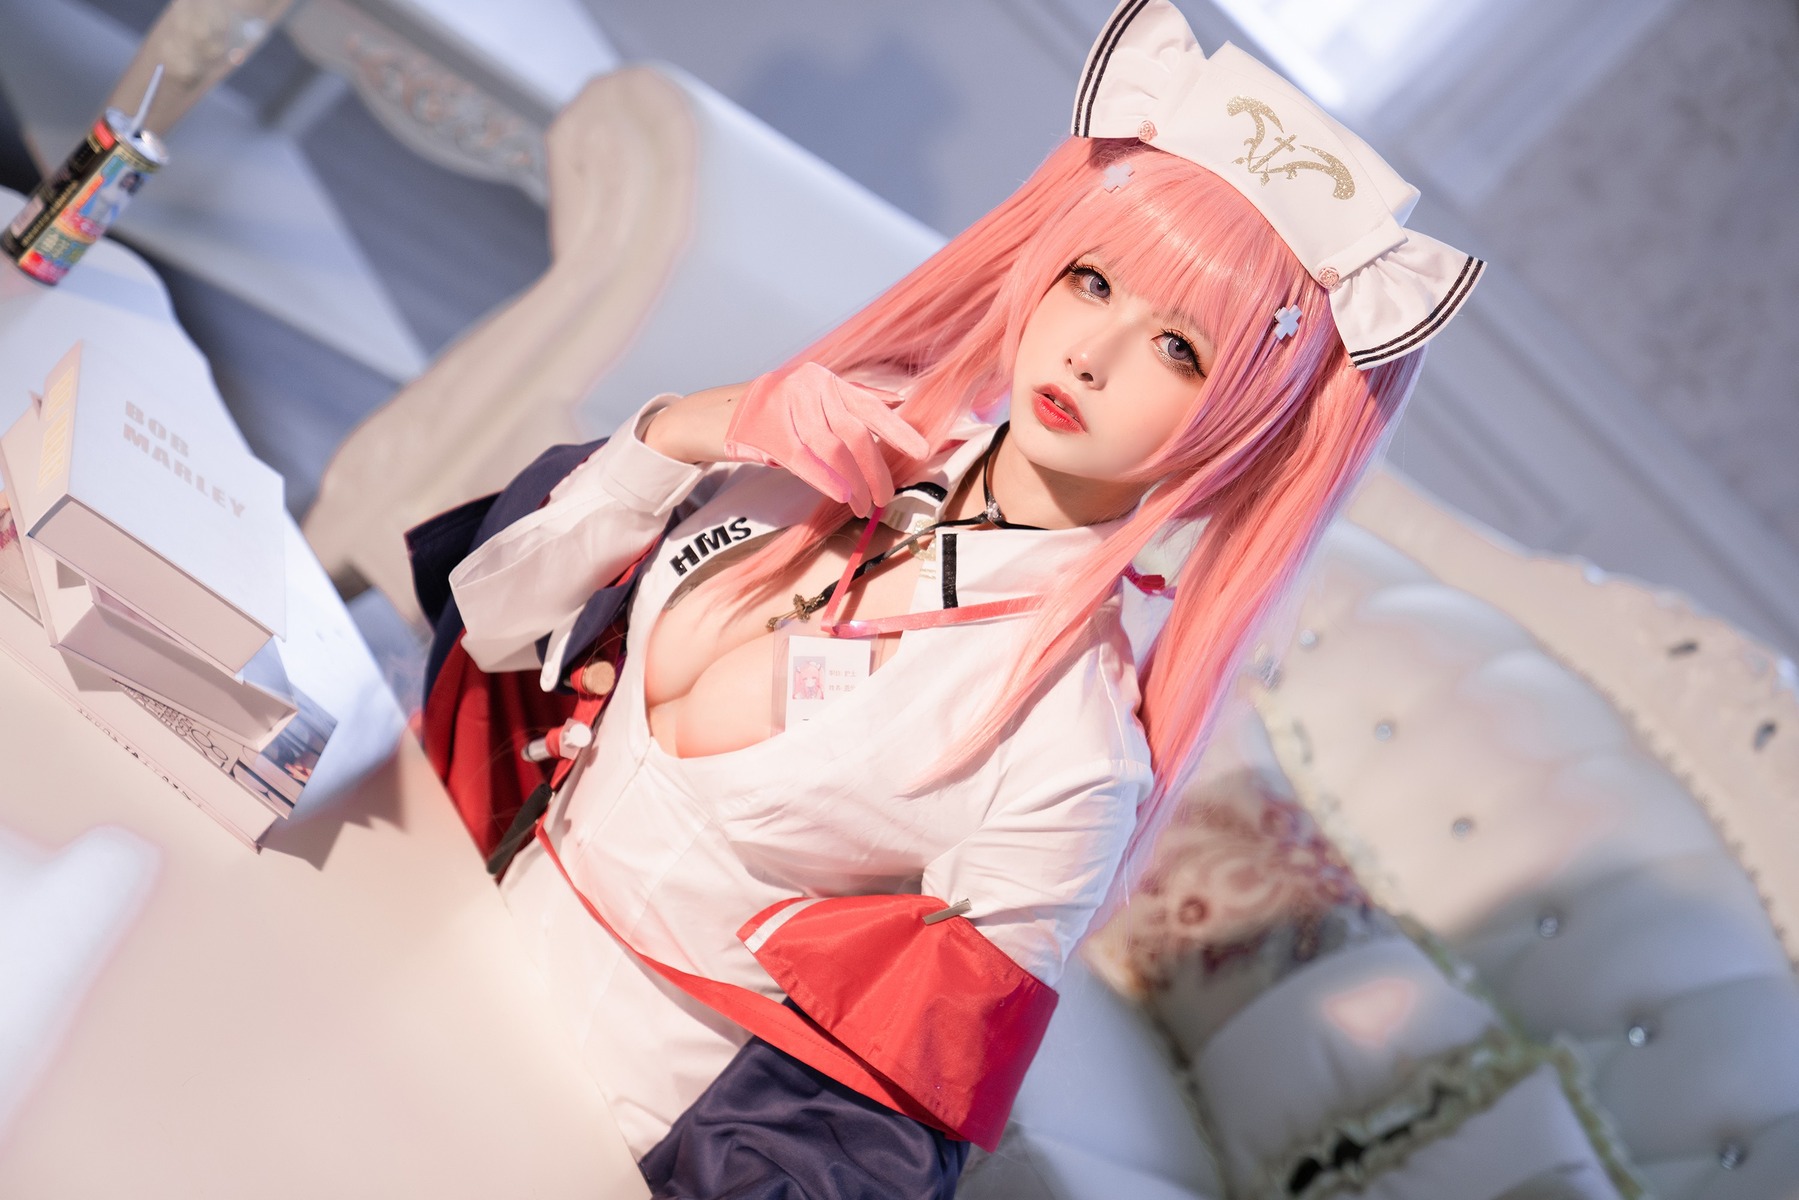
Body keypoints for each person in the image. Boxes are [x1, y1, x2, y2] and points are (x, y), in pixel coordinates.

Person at [435, 1, 1483, 1195]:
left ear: (1244, 426)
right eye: (1091, 280)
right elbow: (492, 622)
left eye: (1178, 348)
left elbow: (874, 1141)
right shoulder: (826, 438)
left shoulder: (1072, 755)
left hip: (582, 1134)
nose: (1089, 353)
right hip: (438, 929)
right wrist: (685, 429)